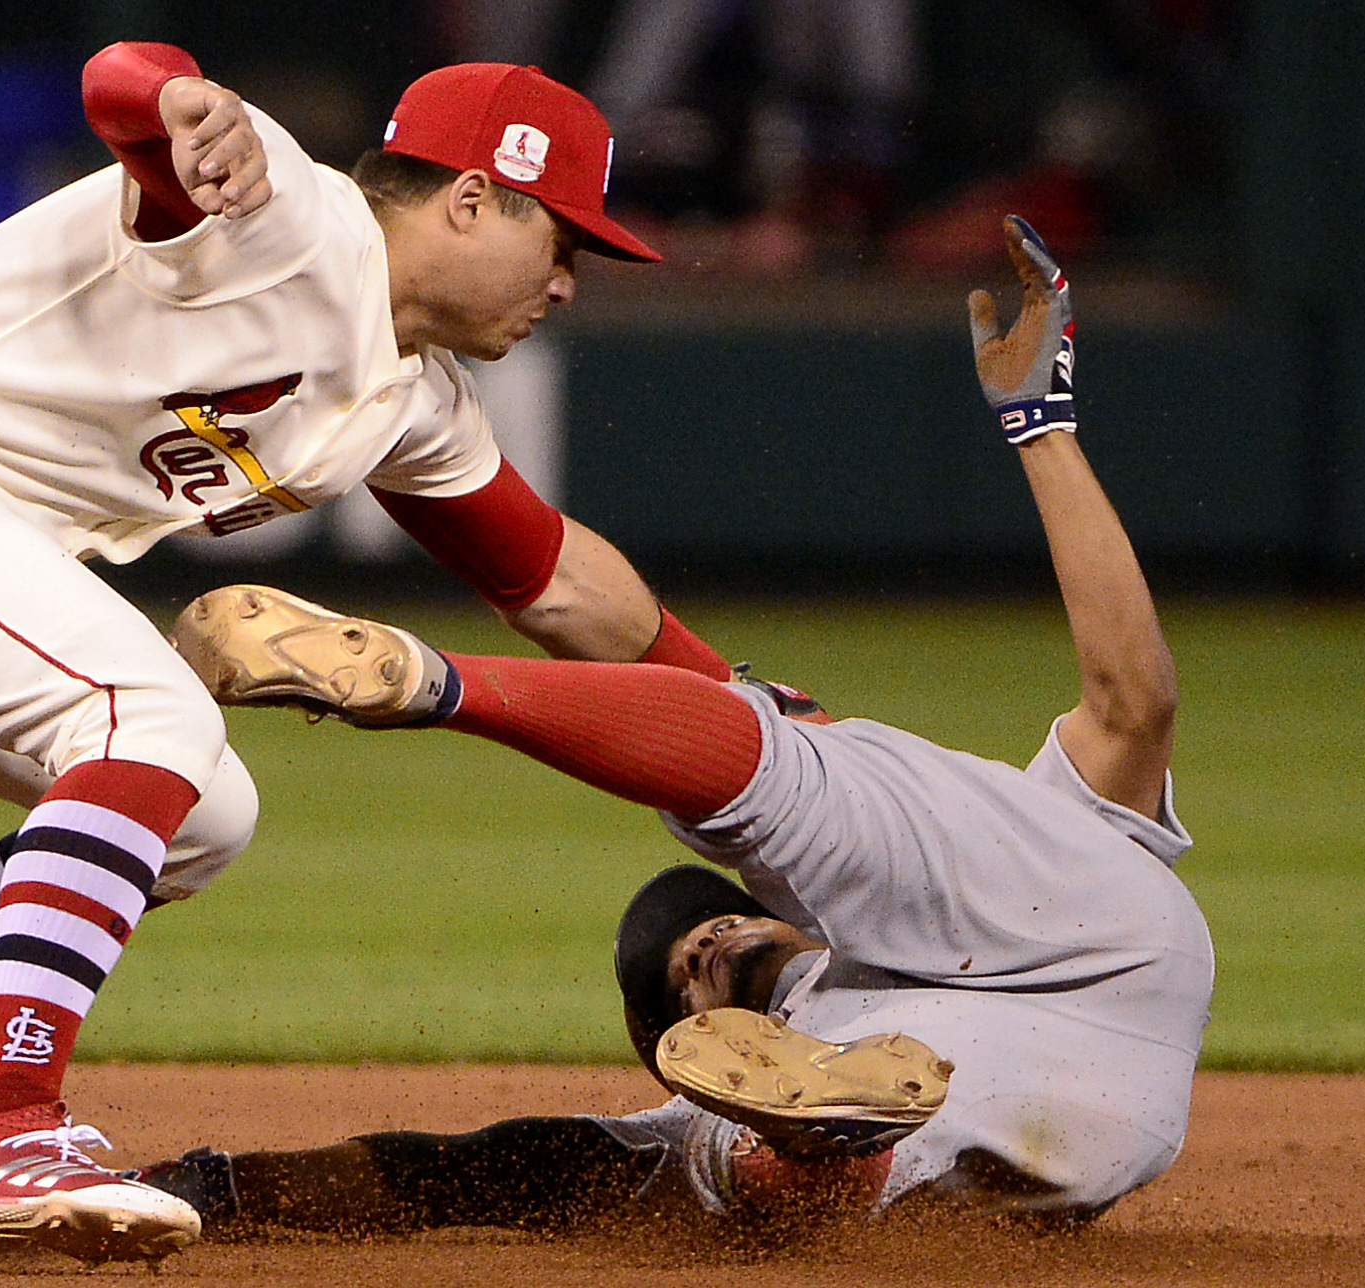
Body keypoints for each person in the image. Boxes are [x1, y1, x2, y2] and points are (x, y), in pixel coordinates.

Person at [0, 40, 735, 1264]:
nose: (566, 283)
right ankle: (3, 1124)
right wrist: (176, 97)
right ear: (470, 197)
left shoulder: (413, 398)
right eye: (560, 242)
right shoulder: (284, 214)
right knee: (152, 722)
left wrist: (752, 707)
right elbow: (128, 86)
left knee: (200, 811)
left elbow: (552, 582)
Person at [152, 217, 1214, 1232]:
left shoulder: (968, 861)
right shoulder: (791, 1046)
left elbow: (1135, 699)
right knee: (706, 1160)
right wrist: (215, 1187)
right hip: (1037, 1114)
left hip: (1066, 927)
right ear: (680, 1036)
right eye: (682, 979)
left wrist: (1043, 429)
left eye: (707, 933)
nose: (700, 947)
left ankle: (433, 683)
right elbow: (472, 1167)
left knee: (787, 752)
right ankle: (809, 1156)